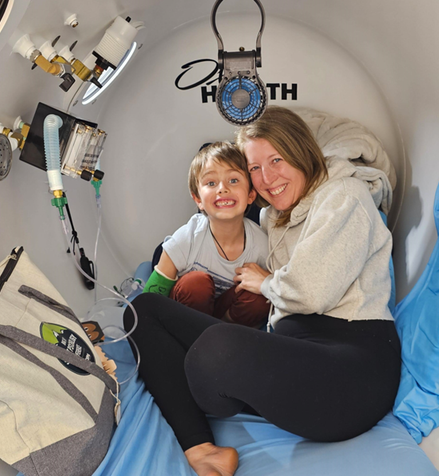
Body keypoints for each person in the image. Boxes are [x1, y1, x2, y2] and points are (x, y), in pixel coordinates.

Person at [124, 107, 401, 476]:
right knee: (142, 310)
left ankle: (203, 376)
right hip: (294, 356)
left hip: (351, 370)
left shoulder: (344, 196)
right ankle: (202, 448)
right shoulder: (273, 216)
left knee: (216, 354)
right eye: (255, 168)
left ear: (302, 151)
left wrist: (265, 282)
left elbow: (312, 292)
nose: (267, 178)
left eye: (277, 160)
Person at [141, 141, 270, 327]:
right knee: (196, 283)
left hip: (225, 322)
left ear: (251, 194)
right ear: (198, 199)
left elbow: (276, 288)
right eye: (211, 183)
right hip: (185, 316)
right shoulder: (188, 237)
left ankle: (219, 334)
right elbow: (150, 301)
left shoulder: (261, 245)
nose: (222, 189)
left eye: (233, 180)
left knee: (259, 295)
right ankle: (196, 335)